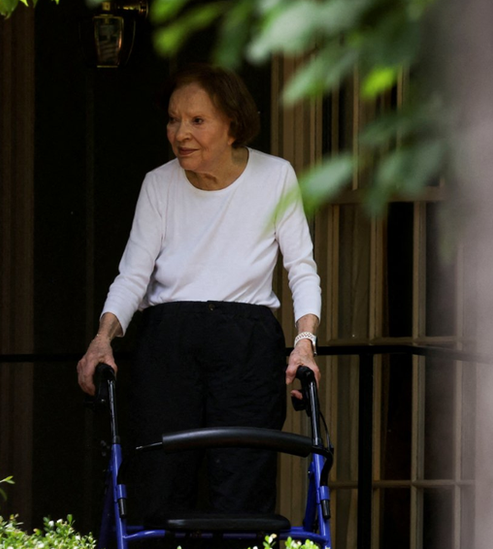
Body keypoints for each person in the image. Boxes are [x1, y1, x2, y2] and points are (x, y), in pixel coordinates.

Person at [75, 64, 321, 519]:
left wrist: (304, 343)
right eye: (173, 120)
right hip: (168, 341)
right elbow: (132, 274)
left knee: (243, 487)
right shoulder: (158, 183)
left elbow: (301, 268)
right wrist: (102, 339)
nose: (180, 133)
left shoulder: (276, 176)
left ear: (232, 126)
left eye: (196, 121)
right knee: (161, 486)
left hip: (247, 341)